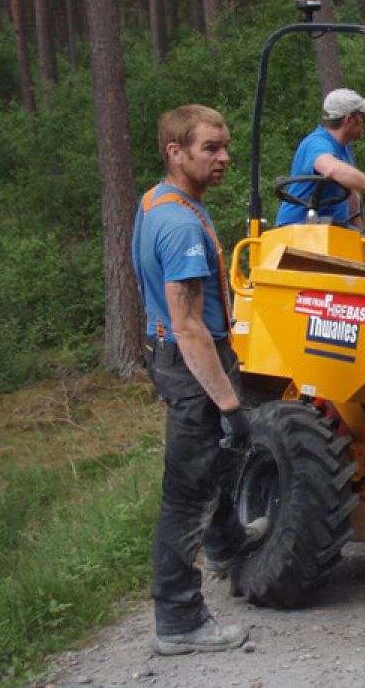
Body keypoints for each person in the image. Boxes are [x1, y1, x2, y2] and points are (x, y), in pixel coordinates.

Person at [132, 105, 267, 656]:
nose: (225, 157)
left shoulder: (158, 201)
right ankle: (179, 621)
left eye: (226, 145)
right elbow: (189, 329)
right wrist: (229, 403)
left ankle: (226, 540)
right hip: (191, 359)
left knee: (219, 461)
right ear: (176, 151)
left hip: (169, 347)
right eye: (211, 147)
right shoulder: (183, 225)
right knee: (186, 494)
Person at [276, 88, 365, 267]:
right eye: (362, 117)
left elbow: (350, 194)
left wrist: (361, 234)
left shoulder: (343, 148)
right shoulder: (317, 143)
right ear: (349, 119)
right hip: (301, 230)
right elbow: (331, 169)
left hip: (332, 230)